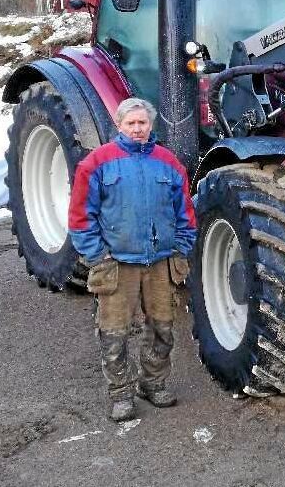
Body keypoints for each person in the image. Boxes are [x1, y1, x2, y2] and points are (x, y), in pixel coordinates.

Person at [69, 98, 197, 421]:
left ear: (150, 125)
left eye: (143, 123)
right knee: (114, 334)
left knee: (163, 330)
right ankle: (120, 393)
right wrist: (98, 255)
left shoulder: (169, 163)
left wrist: (181, 248)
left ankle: (152, 383)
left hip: (160, 263)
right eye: (131, 124)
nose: (138, 129)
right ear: (119, 124)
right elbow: (81, 217)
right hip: (117, 265)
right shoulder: (97, 163)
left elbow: (186, 214)